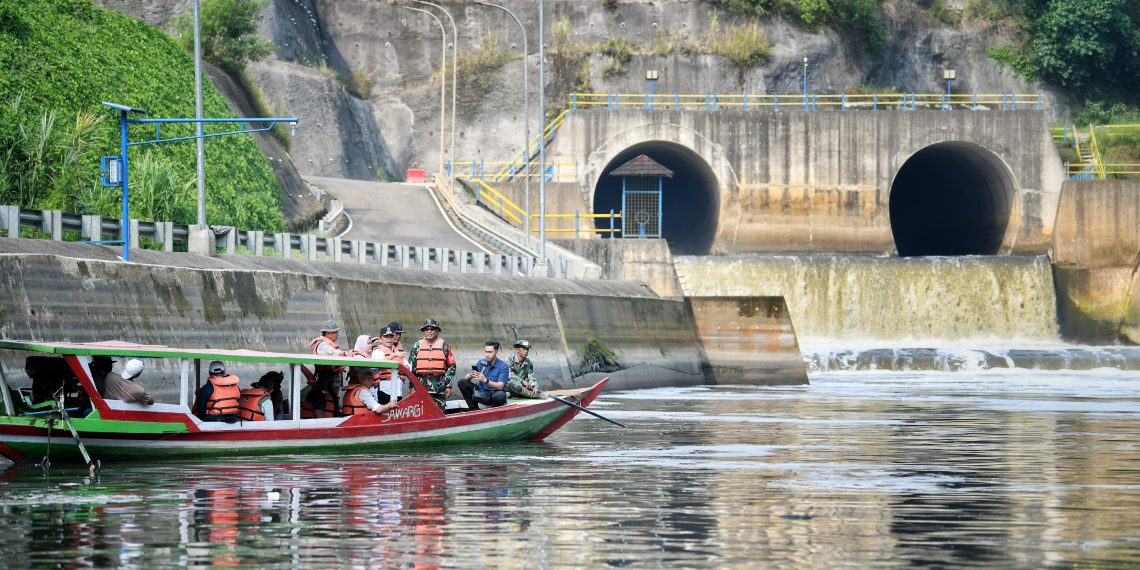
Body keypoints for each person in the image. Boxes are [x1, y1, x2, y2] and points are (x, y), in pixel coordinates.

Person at [409, 319, 456, 409]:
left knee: (438, 413)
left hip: (439, 386)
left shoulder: (445, 346)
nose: (429, 331)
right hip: (420, 387)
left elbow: (451, 366)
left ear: (437, 331)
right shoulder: (417, 345)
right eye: (426, 329)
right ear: (424, 331)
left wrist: (447, 384)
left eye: (432, 329)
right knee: (421, 413)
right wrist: (412, 386)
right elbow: (411, 368)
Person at [458, 340, 509, 410]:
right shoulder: (481, 362)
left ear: (496, 352)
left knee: (500, 396)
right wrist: (471, 375)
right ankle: (474, 409)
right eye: (486, 352)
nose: (487, 355)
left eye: (490, 352)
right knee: (461, 382)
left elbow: (500, 387)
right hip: (482, 392)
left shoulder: (503, 366)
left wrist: (485, 380)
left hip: (494, 394)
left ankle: (495, 410)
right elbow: (465, 379)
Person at [309, 319, 350, 392]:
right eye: (335, 332)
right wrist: (344, 353)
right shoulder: (322, 345)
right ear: (328, 333)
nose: (338, 334)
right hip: (327, 379)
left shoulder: (327, 343)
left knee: (333, 398)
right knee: (329, 399)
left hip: (332, 378)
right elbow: (332, 352)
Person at [370, 325, 408, 405]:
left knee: (396, 414)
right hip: (384, 388)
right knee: (385, 413)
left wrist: (406, 367)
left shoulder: (396, 350)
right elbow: (378, 364)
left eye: (391, 337)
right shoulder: (378, 351)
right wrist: (393, 355)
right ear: (380, 339)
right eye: (386, 337)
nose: (389, 339)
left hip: (398, 389)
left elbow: (407, 365)